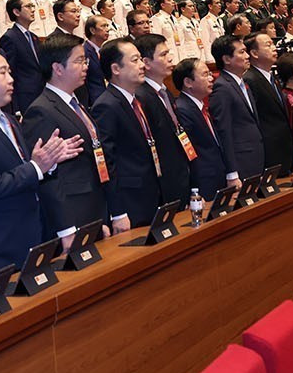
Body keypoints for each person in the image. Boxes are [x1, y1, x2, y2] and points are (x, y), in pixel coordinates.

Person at [0, 49, 81, 279]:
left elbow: (28, 171)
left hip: (31, 237)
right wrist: (36, 167)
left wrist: (49, 163)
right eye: (2, 73)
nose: (11, 79)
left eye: (10, 71)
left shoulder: (8, 119)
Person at [22, 31, 116, 239]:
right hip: (74, 215)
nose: (86, 66)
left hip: (95, 206)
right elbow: (48, 176)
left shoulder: (76, 103)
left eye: (86, 60)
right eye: (79, 61)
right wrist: (65, 228)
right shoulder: (41, 110)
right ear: (57, 68)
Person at [93, 38, 164, 227]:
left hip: (150, 192)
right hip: (130, 202)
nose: (142, 65)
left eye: (141, 59)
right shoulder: (106, 106)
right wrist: (118, 212)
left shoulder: (136, 100)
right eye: (135, 60)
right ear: (116, 69)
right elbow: (107, 163)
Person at [135, 33, 193, 207]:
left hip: (180, 173)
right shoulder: (141, 96)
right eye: (163, 55)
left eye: (169, 53)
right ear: (146, 63)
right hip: (163, 182)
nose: (170, 58)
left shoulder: (165, 91)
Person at [172, 57, 236, 202]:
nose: (211, 77)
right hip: (202, 184)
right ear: (188, 82)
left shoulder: (199, 106)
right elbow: (189, 153)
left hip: (216, 178)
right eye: (205, 74)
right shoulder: (182, 109)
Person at [209, 36, 264, 179]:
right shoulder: (222, 87)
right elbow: (224, 131)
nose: (247, 56)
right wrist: (232, 172)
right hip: (241, 162)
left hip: (254, 157)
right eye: (242, 52)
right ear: (227, 59)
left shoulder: (241, 83)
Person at [243, 33, 293, 172]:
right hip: (269, 152)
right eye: (268, 45)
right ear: (254, 53)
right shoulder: (250, 79)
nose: (274, 48)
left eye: (273, 44)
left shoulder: (272, 77)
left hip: (283, 148)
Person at [0, 0, 46, 114]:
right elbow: (11, 72)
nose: (33, 10)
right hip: (24, 99)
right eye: (28, 6)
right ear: (16, 12)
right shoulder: (10, 38)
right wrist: (16, 107)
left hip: (41, 94)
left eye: (32, 6)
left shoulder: (34, 37)